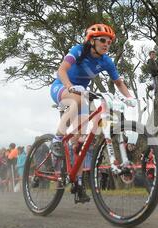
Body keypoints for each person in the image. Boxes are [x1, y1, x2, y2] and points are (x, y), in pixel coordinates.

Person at [49, 23, 137, 203]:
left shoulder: (106, 61)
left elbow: (119, 82)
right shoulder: (78, 50)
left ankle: (78, 183)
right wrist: (69, 86)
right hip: (61, 87)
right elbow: (62, 70)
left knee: (80, 143)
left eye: (109, 42)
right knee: (78, 99)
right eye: (103, 40)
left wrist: (130, 98)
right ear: (91, 41)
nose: (106, 44)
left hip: (81, 93)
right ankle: (57, 139)